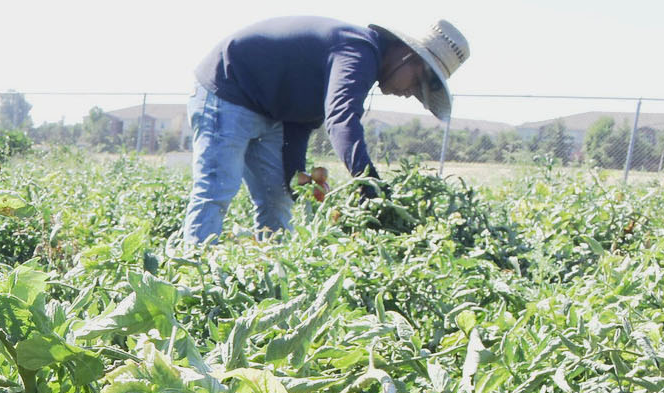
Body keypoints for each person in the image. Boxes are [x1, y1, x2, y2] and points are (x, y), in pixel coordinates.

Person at [180, 17, 470, 244]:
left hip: (269, 110)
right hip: (229, 88)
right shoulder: (359, 51)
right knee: (218, 188)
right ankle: (194, 275)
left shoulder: (357, 68)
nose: (410, 94)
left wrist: (297, 181)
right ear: (407, 56)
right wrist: (370, 186)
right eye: (417, 83)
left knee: (277, 199)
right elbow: (341, 119)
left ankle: (269, 280)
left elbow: (299, 124)